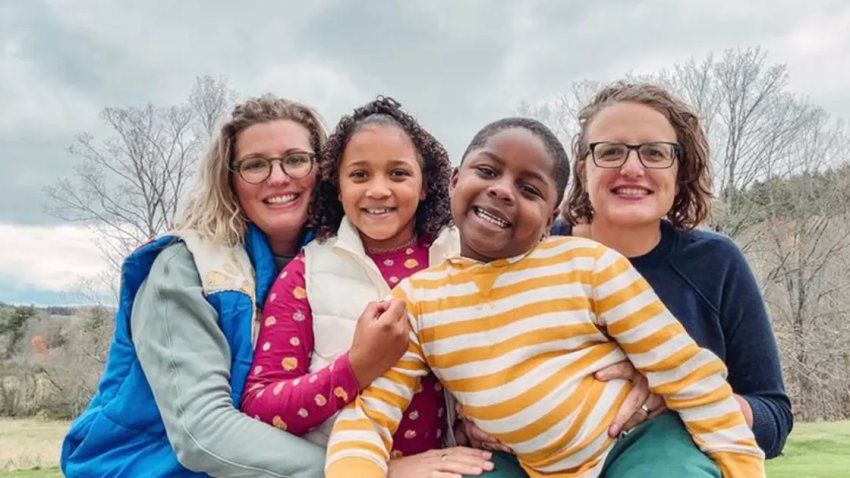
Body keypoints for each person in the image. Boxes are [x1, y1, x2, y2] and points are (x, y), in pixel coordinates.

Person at [324, 117, 766, 478]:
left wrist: (742, 464)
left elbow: (684, 370)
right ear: (456, 180)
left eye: (529, 189)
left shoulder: (589, 265)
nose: (502, 189)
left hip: (635, 446)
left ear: (549, 219)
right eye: (487, 171)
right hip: (521, 464)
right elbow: (371, 412)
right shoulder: (419, 299)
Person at [61, 95, 330, 477]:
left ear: (323, 167)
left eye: (296, 159)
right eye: (255, 165)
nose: (278, 177)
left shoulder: (342, 265)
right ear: (230, 180)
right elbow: (201, 434)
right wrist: (372, 471)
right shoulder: (185, 269)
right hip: (148, 466)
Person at [241, 96, 494, 477]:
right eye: (360, 175)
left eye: (398, 174)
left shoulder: (461, 257)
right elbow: (262, 406)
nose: (378, 190)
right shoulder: (305, 274)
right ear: (338, 187)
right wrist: (357, 368)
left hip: (450, 465)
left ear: (426, 184)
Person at [551, 81, 792, 459]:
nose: (632, 168)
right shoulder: (537, 249)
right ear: (583, 169)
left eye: (655, 152)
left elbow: (773, 421)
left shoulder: (716, 264)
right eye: (611, 151)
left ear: (680, 172)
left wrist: (680, 391)